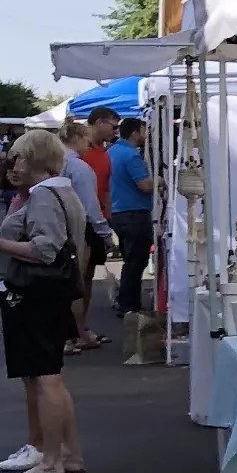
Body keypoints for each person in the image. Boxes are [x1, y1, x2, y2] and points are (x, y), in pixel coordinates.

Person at [0, 127, 87, 473]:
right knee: (50, 378)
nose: (12, 164)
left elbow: (44, 249)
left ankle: (51, 461)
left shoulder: (45, 195)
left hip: (36, 297)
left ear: (33, 159)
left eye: (17, 156)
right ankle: (68, 454)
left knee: (45, 379)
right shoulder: (60, 191)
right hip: (49, 295)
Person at [56, 121, 110, 352]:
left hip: (55, 227)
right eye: (87, 139)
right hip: (78, 230)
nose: (90, 145)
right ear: (77, 138)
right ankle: (78, 333)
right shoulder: (79, 167)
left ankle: (70, 332)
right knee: (78, 283)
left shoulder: (54, 163)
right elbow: (90, 206)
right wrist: (105, 233)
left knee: (62, 282)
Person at [107, 114, 155, 321]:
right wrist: (161, 181)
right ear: (135, 133)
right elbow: (144, 185)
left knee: (130, 259)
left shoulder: (112, 152)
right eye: (143, 131)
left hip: (118, 212)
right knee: (136, 261)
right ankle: (129, 305)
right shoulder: (131, 156)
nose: (146, 135)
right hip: (135, 212)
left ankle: (125, 301)